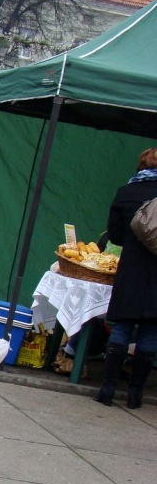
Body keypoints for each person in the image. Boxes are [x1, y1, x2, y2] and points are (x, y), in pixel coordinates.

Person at [93, 148, 157, 408]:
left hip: (131, 269)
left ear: (140, 165)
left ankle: (107, 389)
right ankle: (135, 394)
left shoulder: (125, 192)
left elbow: (116, 236)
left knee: (121, 328)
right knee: (151, 333)